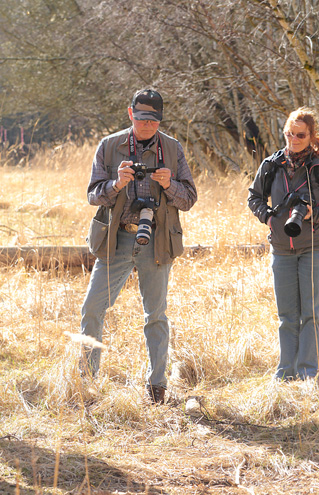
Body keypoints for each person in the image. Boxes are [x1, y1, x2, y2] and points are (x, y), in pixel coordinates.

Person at [80, 89, 197, 405]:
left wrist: (168, 184)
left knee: (155, 315)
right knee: (92, 308)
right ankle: (88, 383)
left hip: (157, 240)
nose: (147, 125)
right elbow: (93, 195)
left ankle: (157, 387)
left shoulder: (172, 149)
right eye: (142, 118)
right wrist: (117, 184)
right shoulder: (110, 146)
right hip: (116, 238)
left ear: (160, 119)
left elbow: (188, 199)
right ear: (131, 114)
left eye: (154, 120)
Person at [248, 107, 319, 380]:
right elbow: (253, 197)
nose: (293, 139)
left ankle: (309, 373)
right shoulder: (271, 164)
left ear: (311, 135)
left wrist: (314, 213)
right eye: (289, 133)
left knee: (311, 313)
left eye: (300, 135)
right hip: (281, 248)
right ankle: (286, 372)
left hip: (316, 246)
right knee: (286, 315)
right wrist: (267, 217)